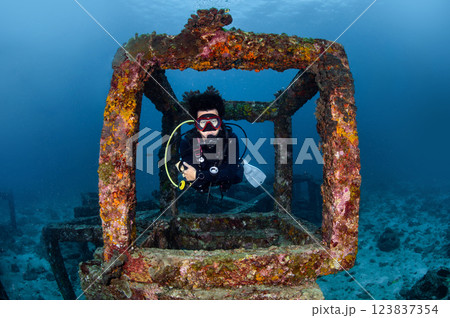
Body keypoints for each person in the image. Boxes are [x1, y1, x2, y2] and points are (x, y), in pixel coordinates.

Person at [177, 90, 244, 195]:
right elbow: (192, 177)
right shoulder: (187, 143)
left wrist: (200, 175)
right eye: (203, 123)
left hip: (223, 176)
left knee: (237, 176)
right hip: (208, 177)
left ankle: (241, 163)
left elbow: (230, 172)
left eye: (213, 122)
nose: (209, 129)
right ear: (196, 126)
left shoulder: (230, 138)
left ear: (220, 123)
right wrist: (202, 176)